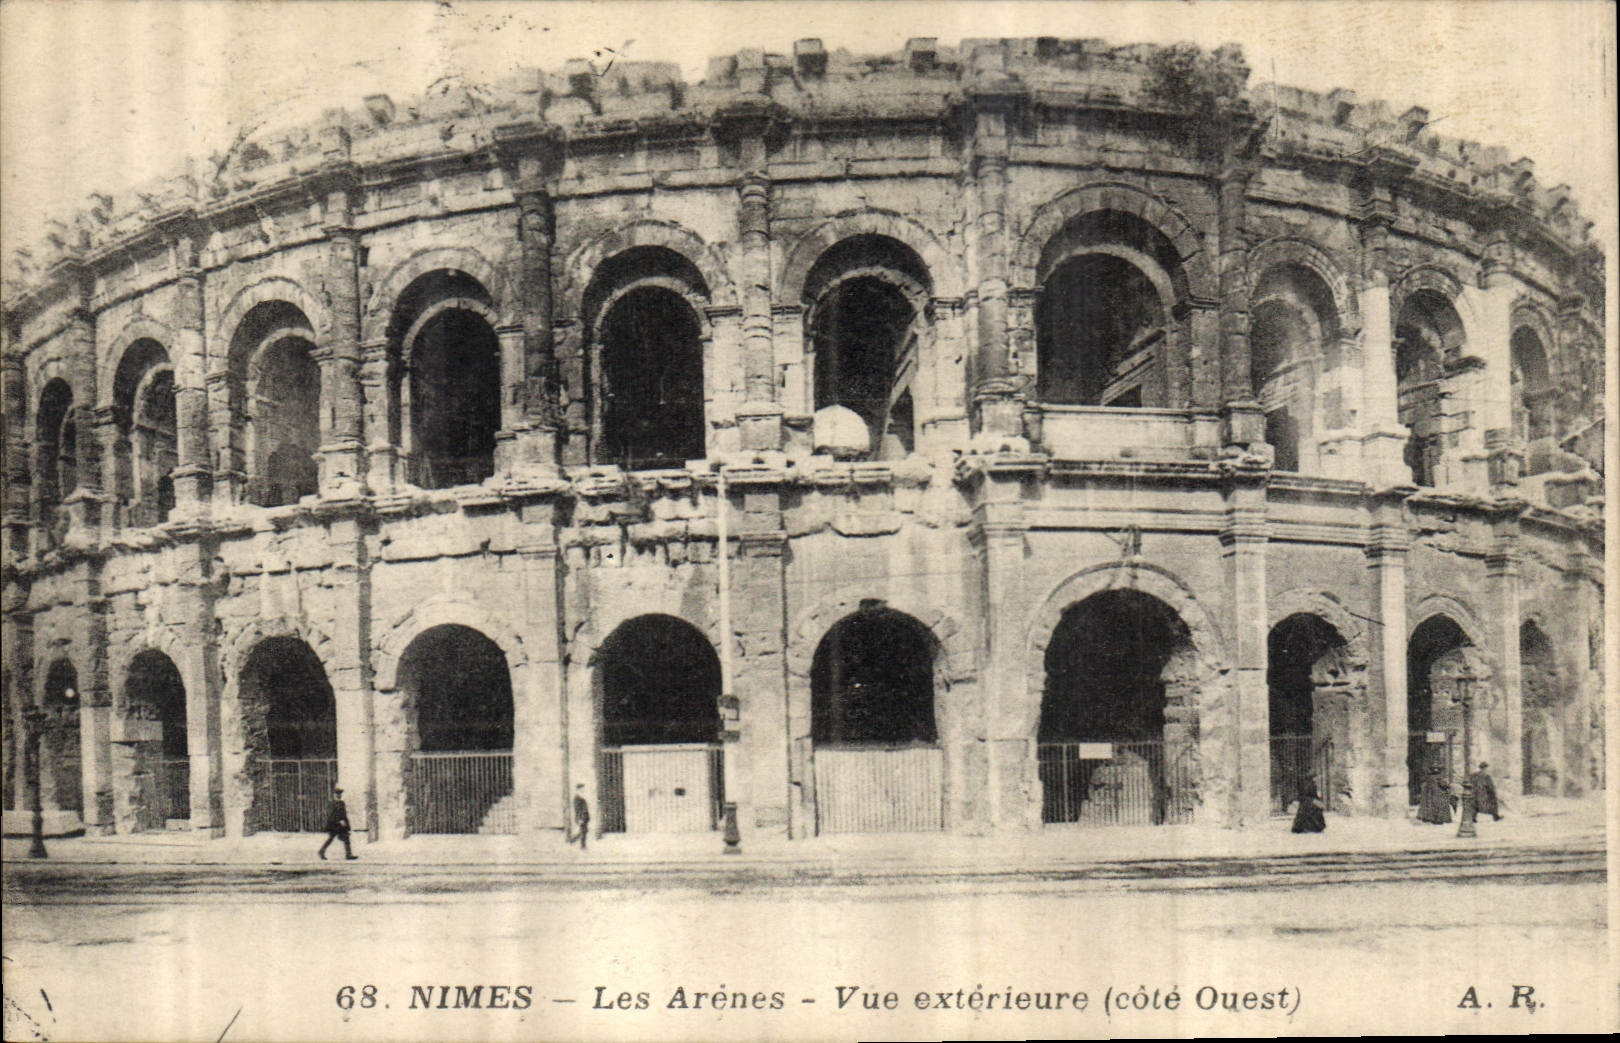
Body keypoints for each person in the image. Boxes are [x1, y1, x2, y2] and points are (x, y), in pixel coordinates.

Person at [318, 788, 357, 860]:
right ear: (334, 795)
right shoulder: (331, 803)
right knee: (331, 839)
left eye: (340, 794)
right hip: (334, 824)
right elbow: (331, 814)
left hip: (341, 825)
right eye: (337, 794)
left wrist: (347, 825)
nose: (339, 796)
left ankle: (348, 854)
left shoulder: (342, 803)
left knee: (346, 838)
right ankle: (321, 851)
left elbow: (344, 814)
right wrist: (339, 820)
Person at [572, 784, 590, 851]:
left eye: (583, 789)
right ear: (578, 789)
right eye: (582, 789)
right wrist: (580, 818)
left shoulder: (580, 797)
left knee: (584, 831)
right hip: (581, 818)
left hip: (584, 817)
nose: (583, 790)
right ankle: (583, 846)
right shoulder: (577, 798)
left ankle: (573, 840)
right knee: (583, 832)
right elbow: (577, 810)